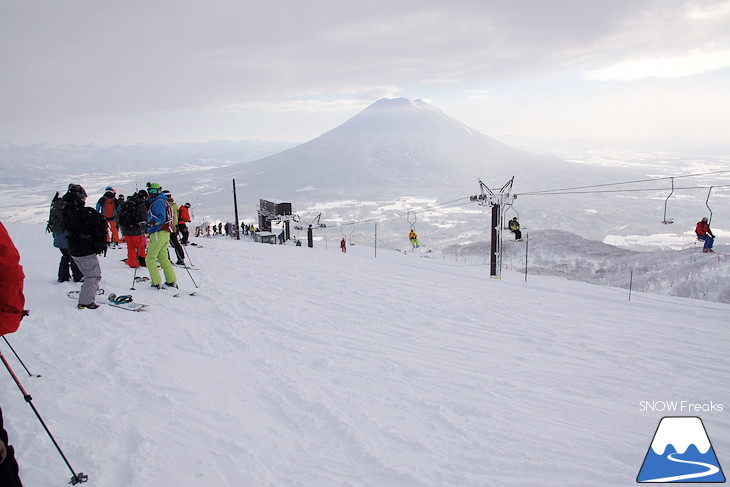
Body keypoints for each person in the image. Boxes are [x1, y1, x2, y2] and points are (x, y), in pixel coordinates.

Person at [63, 184, 106, 309]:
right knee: (93, 275)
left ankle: (90, 290)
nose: (84, 200)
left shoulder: (67, 209)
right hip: (84, 248)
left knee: (88, 274)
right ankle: (86, 301)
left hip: (73, 246)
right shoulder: (82, 212)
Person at [145, 183, 177, 289]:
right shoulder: (163, 201)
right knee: (163, 258)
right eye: (149, 191)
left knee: (150, 258)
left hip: (158, 233)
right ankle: (171, 280)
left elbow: (161, 218)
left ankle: (155, 282)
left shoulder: (158, 203)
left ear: (159, 191)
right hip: (164, 233)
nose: (151, 194)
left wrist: (150, 224)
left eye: (153, 191)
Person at [47, 192, 83, 282]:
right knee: (74, 257)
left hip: (58, 236)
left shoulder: (59, 205)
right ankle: (78, 276)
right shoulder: (71, 207)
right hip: (68, 237)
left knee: (65, 256)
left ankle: (63, 276)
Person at [118, 190, 148, 268]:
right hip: (136, 229)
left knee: (130, 247)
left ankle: (132, 263)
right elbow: (144, 216)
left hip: (126, 229)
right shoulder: (140, 204)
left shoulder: (128, 202)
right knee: (140, 246)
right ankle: (142, 262)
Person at [163, 191, 185, 265]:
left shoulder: (164, 204)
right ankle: (181, 258)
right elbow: (177, 216)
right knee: (175, 242)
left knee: (164, 243)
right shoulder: (174, 205)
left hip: (166, 227)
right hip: (174, 226)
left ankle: (166, 259)